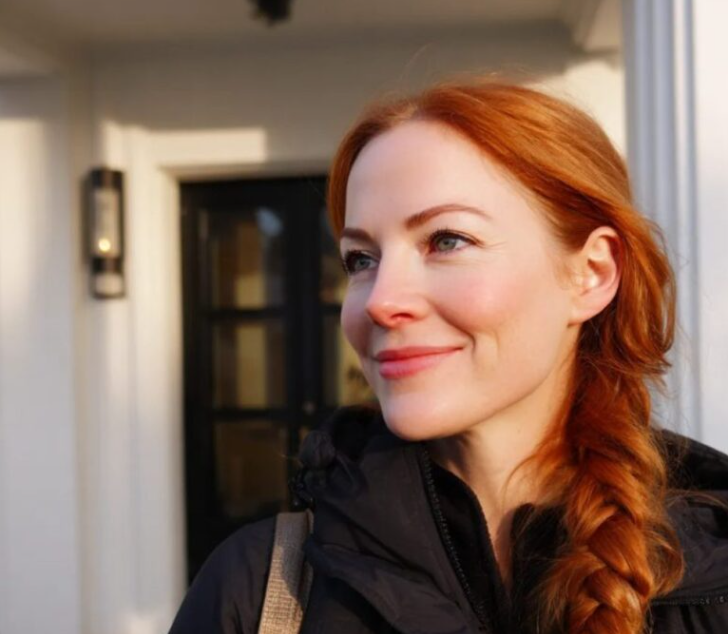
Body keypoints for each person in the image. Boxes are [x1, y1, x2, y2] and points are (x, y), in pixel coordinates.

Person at [168, 78, 728, 634]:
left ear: (592, 273)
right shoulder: (258, 589)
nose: (381, 301)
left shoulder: (712, 576)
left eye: (447, 241)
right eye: (361, 259)